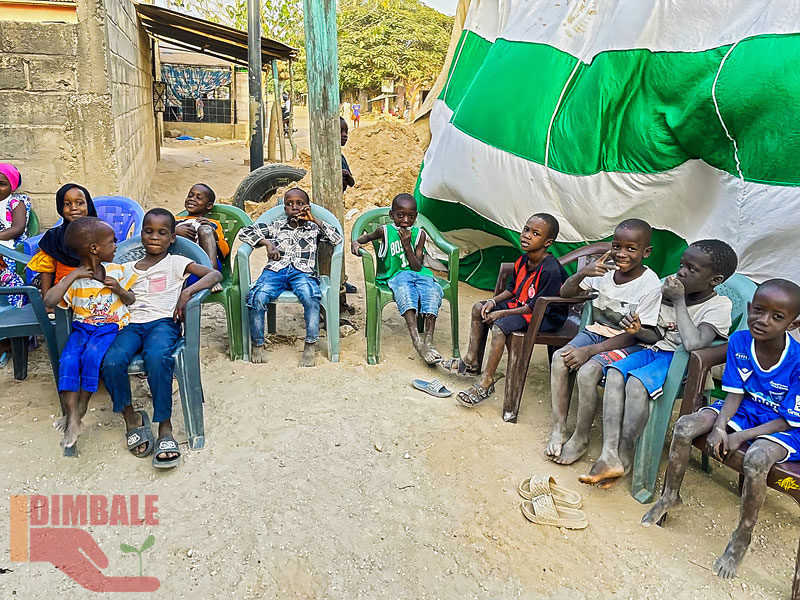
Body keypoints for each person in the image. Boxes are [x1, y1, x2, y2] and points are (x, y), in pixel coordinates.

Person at [642, 279, 800, 580]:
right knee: (685, 425)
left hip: (785, 425)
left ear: (793, 324)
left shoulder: (797, 361)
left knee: (757, 458)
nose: (763, 320)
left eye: (777, 316)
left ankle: (742, 535)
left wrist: (738, 436)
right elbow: (735, 394)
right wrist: (719, 426)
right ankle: (670, 496)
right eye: (759, 310)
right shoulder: (741, 341)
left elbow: (787, 420)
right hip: (746, 410)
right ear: (750, 308)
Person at [580, 240, 738, 488]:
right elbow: (654, 334)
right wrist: (638, 329)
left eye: (691, 270)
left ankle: (626, 454)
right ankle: (609, 454)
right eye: (682, 265)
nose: (681, 272)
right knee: (614, 373)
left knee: (635, 384)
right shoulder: (666, 291)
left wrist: (679, 301)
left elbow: (694, 344)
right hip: (653, 350)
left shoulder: (718, 306)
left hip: (680, 364)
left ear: (714, 280)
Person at [101, 208, 221, 469]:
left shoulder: (176, 262)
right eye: (148, 231)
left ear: (172, 238)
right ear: (141, 234)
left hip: (163, 323)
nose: (154, 237)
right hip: (130, 324)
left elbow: (214, 275)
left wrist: (187, 292)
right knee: (111, 362)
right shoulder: (126, 268)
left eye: (162, 232)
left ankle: (165, 427)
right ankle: (131, 418)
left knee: (157, 358)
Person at [546, 218, 662, 465]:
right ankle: (559, 429)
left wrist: (590, 350)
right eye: (617, 246)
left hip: (628, 343)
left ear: (646, 252)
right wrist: (582, 274)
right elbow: (565, 293)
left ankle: (581, 437)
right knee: (559, 359)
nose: (621, 254)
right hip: (596, 332)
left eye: (631, 249)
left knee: (588, 371)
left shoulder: (650, 284)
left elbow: (636, 333)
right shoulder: (603, 270)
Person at [440, 213, 568, 405]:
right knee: (479, 307)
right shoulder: (523, 260)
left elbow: (535, 307)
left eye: (535, 234)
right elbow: (512, 290)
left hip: (545, 316)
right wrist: (493, 302)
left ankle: (486, 381)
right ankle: (471, 361)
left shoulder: (550, 270)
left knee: (500, 326)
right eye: (526, 230)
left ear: (547, 242)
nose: (527, 235)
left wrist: (502, 313)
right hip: (524, 306)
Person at [45, 217, 137, 451]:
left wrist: (119, 289)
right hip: (82, 329)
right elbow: (49, 301)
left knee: (92, 356)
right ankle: (72, 415)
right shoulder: (73, 280)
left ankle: (80, 409)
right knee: (67, 359)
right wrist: (72, 276)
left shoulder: (117, 271)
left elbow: (131, 299)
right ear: (95, 248)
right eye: (112, 241)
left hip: (109, 327)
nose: (116, 245)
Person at [239, 188, 342, 366]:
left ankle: (310, 344)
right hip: (275, 270)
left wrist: (315, 220)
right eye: (289, 204)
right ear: (284, 208)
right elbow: (244, 232)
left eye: (300, 203)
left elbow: (337, 238)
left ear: (307, 207)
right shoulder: (276, 226)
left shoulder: (313, 228)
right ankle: (258, 344)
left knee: (311, 297)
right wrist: (267, 243)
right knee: (257, 296)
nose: (294, 207)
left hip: (302, 272)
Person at [351, 193, 444, 365]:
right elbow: (367, 237)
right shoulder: (385, 231)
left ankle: (429, 341)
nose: (405, 220)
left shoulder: (419, 234)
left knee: (432, 292)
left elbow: (417, 267)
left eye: (411, 216)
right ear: (391, 215)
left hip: (419, 274)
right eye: (400, 215)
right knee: (406, 293)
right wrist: (356, 242)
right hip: (396, 275)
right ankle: (417, 341)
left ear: (416, 216)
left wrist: (407, 245)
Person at [28, 183, 97, 303]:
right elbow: (46, 270)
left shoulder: (100, 233)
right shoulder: (54, 236)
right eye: (67, 204)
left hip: (95, 292)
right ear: (60, 207)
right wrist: (47, 303)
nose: (73, 208)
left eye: (79, 203)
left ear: (88, 205)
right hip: (63, 294)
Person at [174, 183, 227, 293]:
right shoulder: (176, 220)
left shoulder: (213, 223)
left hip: (206, 265)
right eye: (190, 195)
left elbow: (224, 252)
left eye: (199, 198)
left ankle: (212, 277)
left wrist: (213, 233)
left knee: (205, 230)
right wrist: (174, 231)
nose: (192, 199)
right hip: (182, 266)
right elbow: (162, 238)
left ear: (209, 206)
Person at [0, 163, 31, 308]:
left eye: (2, 184)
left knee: (5, 271)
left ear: (11, 186)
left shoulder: (14, 203)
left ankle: (17, 297)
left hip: (8, 245)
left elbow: (18, 228)